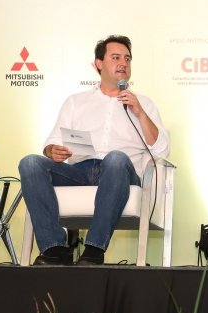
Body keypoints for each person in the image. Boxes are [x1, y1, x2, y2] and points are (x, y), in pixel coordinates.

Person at [19, 35, 170, 266]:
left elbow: (162, 149)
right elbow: (52, 142)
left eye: (127, 59)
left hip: (120, 173)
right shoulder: (75, 102)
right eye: (116, 57)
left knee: (116, 158)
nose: (123, 64)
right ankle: (54, 249)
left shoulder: (144, 104)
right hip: (80, 171)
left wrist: (139, 112)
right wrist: (52, 151)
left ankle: (94, 250)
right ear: (98, 63)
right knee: (30, 162)